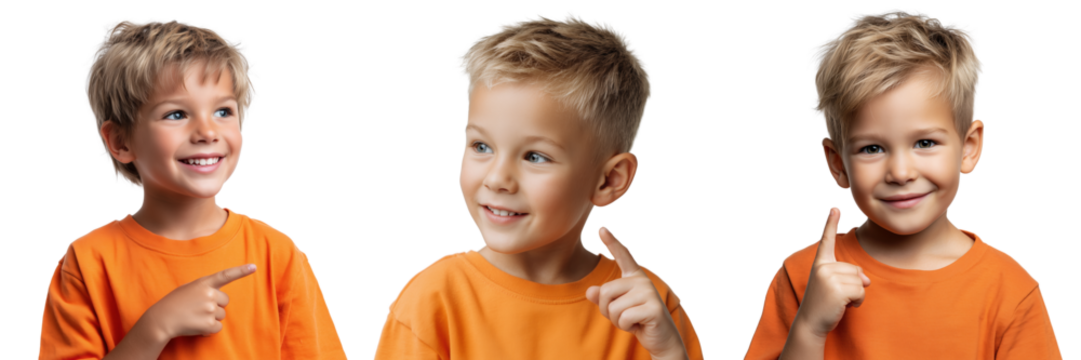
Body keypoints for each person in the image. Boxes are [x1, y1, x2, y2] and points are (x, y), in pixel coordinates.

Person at [372, 10, 704, 360]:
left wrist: (669, 352)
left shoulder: (647, 308)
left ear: (609, 179)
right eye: (481, 146)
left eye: (535, 156)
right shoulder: (434, 299)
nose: (497, 178)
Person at [743, 7, 1063, 360]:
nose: (900, 172)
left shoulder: (1012, 291)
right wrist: (810, 328)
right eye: (872, 148)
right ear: (837, 163)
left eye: (925, 143)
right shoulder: (802, 277)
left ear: (969, 148)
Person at [37, 17, 348, 359]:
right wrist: (156, 327)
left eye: (223, 111)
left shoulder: (278, 255)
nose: (207, 131)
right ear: (120, 141)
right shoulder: (87, 262)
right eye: (176, 114)